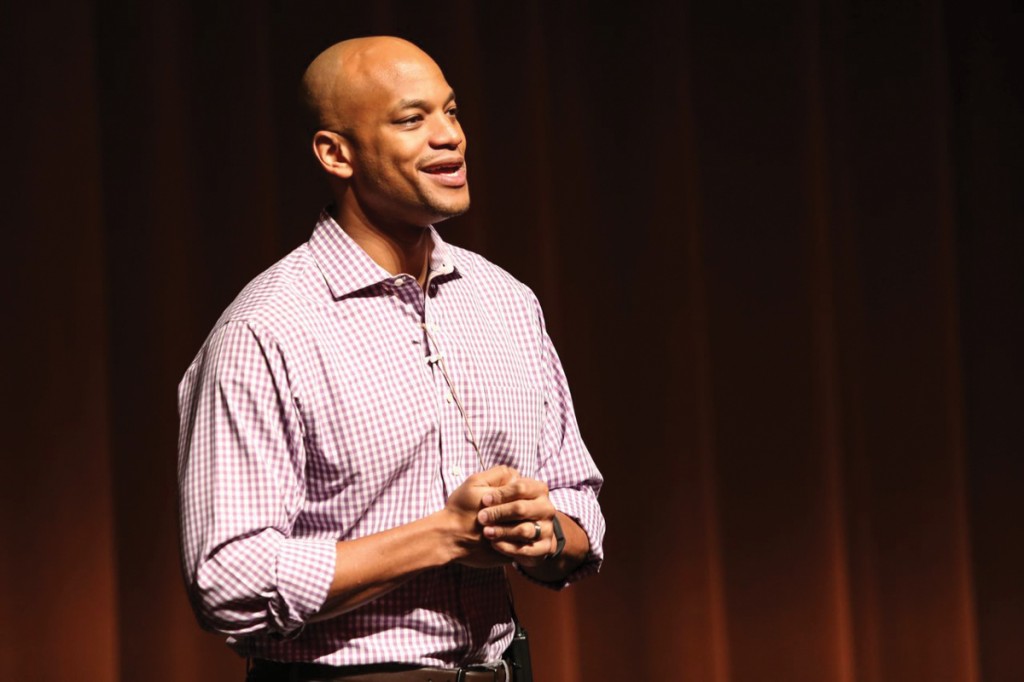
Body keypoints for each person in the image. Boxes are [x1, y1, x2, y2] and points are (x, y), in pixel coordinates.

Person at [177, 36, 605, 682]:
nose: (449, 137)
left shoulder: (507, 301)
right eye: (413, 119)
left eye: (452, 112)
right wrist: (443, 537)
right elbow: (228, 579)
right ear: (335, 153)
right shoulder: (264, 330)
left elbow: (579, 500)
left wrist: (543, 536)